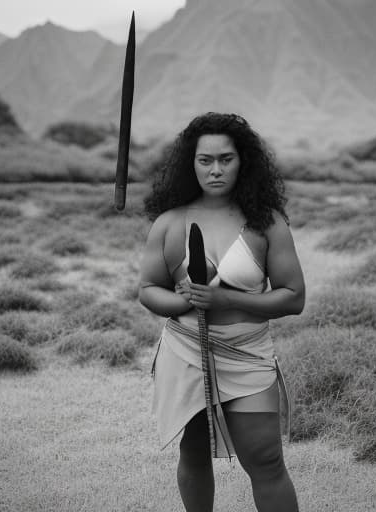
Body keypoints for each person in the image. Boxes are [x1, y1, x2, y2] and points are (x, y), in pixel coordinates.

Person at [139, 112, 305, 512]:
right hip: (185, 351)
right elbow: (147, 290)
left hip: (247, 354)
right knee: (193, 453)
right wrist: (183, 303)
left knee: (265, 459)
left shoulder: (267, 223)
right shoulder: (169, 222)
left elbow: (293, 297)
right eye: (205, 160)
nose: (216, 170)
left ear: (242, 161)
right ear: (189, 164)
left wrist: (228, 300)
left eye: (226, 159)